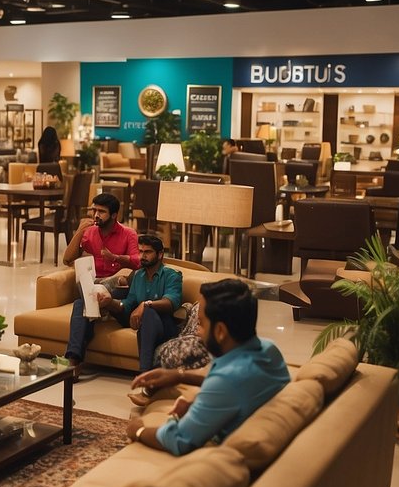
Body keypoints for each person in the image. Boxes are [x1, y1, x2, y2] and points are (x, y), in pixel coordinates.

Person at [125, 278, 290, 456]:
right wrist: (179, 375)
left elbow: (179, 439)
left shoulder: (225, 383)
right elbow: (232, 381)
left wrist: (138, 430)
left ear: (220, 332)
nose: (197, 332)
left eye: (201, 324)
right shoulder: (269, 350)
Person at [73, 234, 182, 373]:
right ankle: (73, 360)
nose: (142, 256)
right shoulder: (138, 275)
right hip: (138, 319)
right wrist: (110, 302)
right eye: (141, 251)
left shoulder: (172, 275)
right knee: (81, 303)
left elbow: (171, 302)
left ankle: (145, 373)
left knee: (148, 313)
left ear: (160, 254)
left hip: (162, 323)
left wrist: (146, 304)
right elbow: (129, 303)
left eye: (147, 252)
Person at [61, 192, 140, 374]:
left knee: (82, 303)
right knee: (87, 289)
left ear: (114, 215)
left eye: (101, 211)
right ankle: (96, 309)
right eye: (94, 210)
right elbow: (67, 259)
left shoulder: (128, 234)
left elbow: (138, 261)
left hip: (115, 287)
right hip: (93, 283)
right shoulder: (89, 233)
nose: (96, 215)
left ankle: (73, 361)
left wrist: (116, 258)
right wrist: (80, 231)